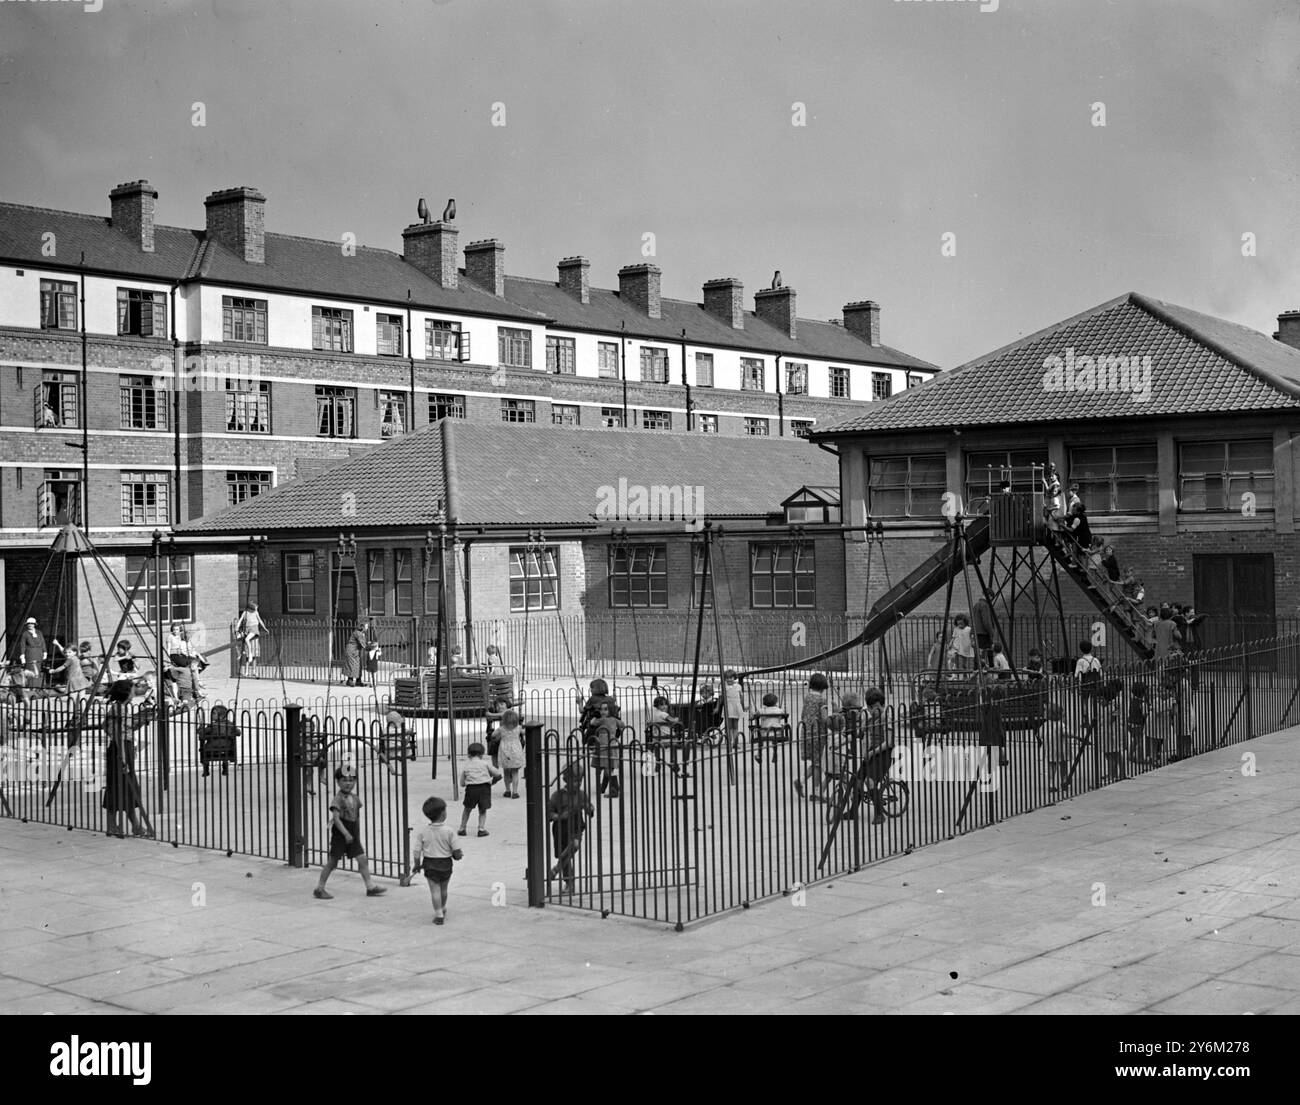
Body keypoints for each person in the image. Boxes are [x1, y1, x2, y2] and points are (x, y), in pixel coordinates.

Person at [313, 765, 387, 899]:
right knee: (333, 861)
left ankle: (370, 887)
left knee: (362, 859)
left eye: (351, 780)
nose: (348, 783)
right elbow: (336, 818)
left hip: (352, 832)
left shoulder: (355, 797)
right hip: (341, 833)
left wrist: (355, 833)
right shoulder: (338, 799)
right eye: (344, 780)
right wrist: (346, 833)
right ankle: (319, 888)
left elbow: (356, 816)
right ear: (338, 782)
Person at [101, 681, 151, 838]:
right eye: (132, 689)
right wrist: (123, 756)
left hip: (123, 748)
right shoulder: (119, 709)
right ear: (126, 693)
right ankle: (118, 825)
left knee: (126, 788)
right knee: (120, 786)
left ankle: (132, 825)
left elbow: (107, 727)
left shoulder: (120, 708)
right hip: (121, 750)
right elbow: (117, 734)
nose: (134, 690)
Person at [410, 796, 462, 925]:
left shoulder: (423, 831)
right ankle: (443, 907)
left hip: (429, 864)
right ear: (443, 813)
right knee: (444, 889)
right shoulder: (449, 831)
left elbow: (417, 851)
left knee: (434, 890)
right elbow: (457, 850)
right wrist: (458, 856)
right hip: (445, 864)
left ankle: (438, 914)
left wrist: (417, 865)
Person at [548, 766, 593, 893]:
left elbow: (589, 806)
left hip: (576, 827)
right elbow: (549, 813)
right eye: (575, 781)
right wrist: (559, 816)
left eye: (580, 781)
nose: (578, 784)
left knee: (574, 845)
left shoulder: (582, 794)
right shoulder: (557, 795)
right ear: (566, 780)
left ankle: (556, 869)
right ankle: (569, 883)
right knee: (565, 857)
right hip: (560, 829)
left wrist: (589, 808)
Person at [793, 672, 831, 800]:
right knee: (818, 763)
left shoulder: (807, 697)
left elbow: (803, 714)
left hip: (805, 732)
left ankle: (802, 781)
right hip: (818, 734)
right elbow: (825, 718)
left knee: (816, 763)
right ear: (823, 686)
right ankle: (815, 792)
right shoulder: (822, 700)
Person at [458, 741, 502, 836]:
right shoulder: (485, 764)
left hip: (471, 789)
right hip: (484, 789)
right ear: (482, 754)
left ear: (469, 754)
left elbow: (462, 783)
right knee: (482, 810)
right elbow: (498, 774)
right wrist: (491, 781)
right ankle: (481, 829)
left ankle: (462, 828)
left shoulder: (467, 766)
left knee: (467, 809)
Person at [1040, 701, 1077, 794]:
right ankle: (1064, 781)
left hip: (1050, 749)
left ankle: (1051, 784)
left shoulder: (1045, 725)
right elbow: (1068, 733)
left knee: (1051, 766)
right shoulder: (1061, 724)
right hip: (1062, 749)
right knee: (1063, 765)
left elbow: (1040, 735)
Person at [589, 701, 622, 798]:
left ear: (610, 710)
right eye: (601, 709)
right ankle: (603, 788)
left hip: (603, 746)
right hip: (612, 744)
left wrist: (594, 716)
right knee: (608, 769)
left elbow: (592, 723)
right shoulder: (614, 719)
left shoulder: (602, 720)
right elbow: (622, 725)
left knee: (604, 769)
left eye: (605, 709)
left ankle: (615, 789)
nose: (602, 711)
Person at [198, 704, 239, 778]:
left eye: (214, 713)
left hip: (211, 748)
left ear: (221, 716)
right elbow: (238, 733)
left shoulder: (212, 726)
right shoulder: (230, 725)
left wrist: (201, 727)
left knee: (202, 746)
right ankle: (225, 766)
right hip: (227, 749)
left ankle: (206, 768)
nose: (212, 715)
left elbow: (201, 733)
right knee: (224, 749)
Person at [1098, 679, 1127, 780]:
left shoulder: (1112, 707)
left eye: (1101, 699)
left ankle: (1115, 774)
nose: (1099, 701)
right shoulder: (1105, 707)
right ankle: (1114, 773)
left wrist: (1114, 710)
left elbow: (1112, 719)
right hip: (1107, 733)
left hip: (1111, 734)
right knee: (1111, 754)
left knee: (1113, 754)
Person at [495, 708, 525, 798]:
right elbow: (524, 732)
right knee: (515, 772)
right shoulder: (518, 728)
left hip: (505, 752)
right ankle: (515, 792)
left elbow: (493, 735)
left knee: (506, 772)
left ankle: (507, 790)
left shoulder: (501, 729)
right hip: (516, 752)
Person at [752, 691, 788, 762]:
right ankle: (775, 753)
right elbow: (784, 716)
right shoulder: (779, 710)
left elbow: (754, 716)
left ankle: (759, 754)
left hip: (765, 733)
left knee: (760, 736)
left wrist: (752, 714)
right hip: (777, 732)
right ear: (775, 702)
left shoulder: (762, 710)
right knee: (774, 740)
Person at [1075, 640, 1103, 729]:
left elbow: (1077, 674)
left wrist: (1079, 685)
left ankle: (1085, 720)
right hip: (1095, 683)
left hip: (1085, 684)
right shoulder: (1096, 660)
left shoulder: (1081, 661)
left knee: (1084, 702)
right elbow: (1101, 673)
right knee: (1095, 702)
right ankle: (1095, 718)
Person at [234, 603, 264, 678]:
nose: (256, 608)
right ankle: (246, 671)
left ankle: (254, 671)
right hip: (248, 634)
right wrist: (237, 627)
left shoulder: (256, 613)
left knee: (254, 656)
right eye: (256, 607)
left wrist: (264, 628)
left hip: (254, 636)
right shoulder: (246, 613)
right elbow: (241, 620)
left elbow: (260, 621)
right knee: (248, 655)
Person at [342, 620, 373, 687]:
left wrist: (369, 644)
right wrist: (369, 647)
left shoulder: (362, 633)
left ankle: (358, 681)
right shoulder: (358, 633)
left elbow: (365, 642)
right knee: (352, 665)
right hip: (351, 650)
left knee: (358, 665)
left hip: (356, 651)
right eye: (366, 626)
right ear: (362, 627)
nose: (367, 628)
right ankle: (350, 681)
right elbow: (363, 644)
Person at [722, 669, 748, 749]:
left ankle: (735, 742)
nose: (729, 679)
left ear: (734, 678)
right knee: (729, 726)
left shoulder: (738, 686)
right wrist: (717, 707)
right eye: (727, 678)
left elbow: (741, 697)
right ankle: (729, 742)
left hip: (736, 706)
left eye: (731, 678)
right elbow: (721, 697)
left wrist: (743, 707)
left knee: (735, 725)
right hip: (728, 707)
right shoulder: (724, 687)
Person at [18, 617, 46, 688]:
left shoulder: (39, 632)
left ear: (34, 624)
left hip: (39, 653)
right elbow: (22, 645)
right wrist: (22, 655)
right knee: (31, 669)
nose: (30, 625)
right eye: (29, 624)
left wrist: (45, 651)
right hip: (30, 654)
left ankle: (38, 687)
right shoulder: (25, 634)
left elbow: (43, 642)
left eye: (32, 623)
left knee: (38, 669)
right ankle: (31, 687)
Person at [1064, 484, 1092, 549]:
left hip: (1079, 531)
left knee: (1071, 538)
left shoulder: (1076, 500)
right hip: (1074, 524)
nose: (1068, 493)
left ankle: (1071, 552)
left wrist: (1063, 523)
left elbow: (1072, 513)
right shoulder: (1071, 500)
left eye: (1069, 491)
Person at [971, 597, 996, 667]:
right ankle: (990, 667)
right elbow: (986, 621)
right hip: (984, 632)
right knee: (988, 650)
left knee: (979, 652)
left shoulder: (976, 605)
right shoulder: (985, 605)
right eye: (991, 597)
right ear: (989, 595)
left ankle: (977, 669)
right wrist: (991, 632)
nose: (991, 599)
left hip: (977, 632)